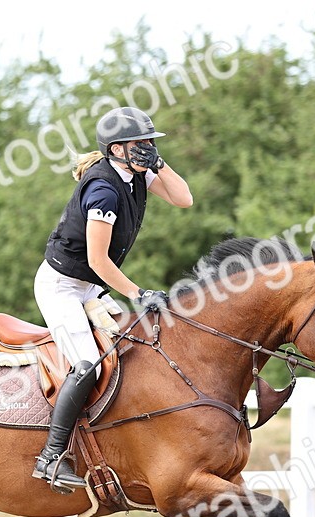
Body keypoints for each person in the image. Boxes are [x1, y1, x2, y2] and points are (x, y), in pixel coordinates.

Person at [31, 106, 194, 493]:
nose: (148, 149)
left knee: (136, 349)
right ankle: (50, 457)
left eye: (151, 142)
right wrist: (138, 293)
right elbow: (97, 260)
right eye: (141, 143)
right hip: (62, 286)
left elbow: (184, 198)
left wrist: (159, 163)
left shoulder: (137, 174)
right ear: (117, 149)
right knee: (87, 364)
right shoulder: (103, 189)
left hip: (89, 285)